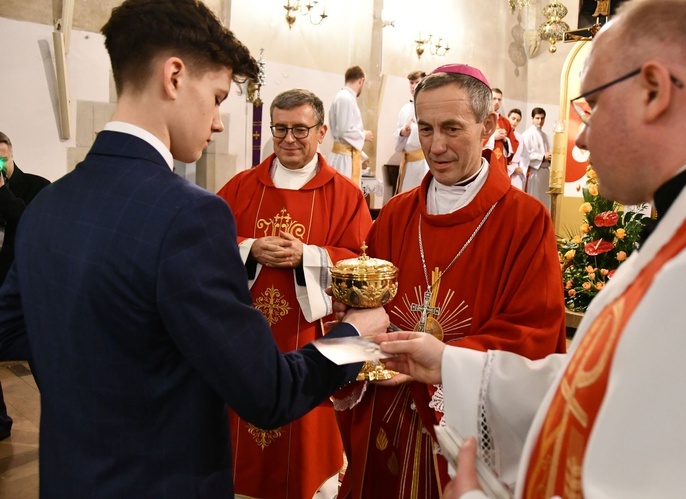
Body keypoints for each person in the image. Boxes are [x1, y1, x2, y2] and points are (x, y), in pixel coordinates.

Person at [0, 0, 389, 496]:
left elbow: (12, 330)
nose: (220, 122)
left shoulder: (47, 203)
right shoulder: (190, 215)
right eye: (218, 96)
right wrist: (357, 335)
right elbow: (269, 393)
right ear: (175, 77)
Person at [378, 0, 686, 496]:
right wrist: (449, 362)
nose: (584, 137)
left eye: (591, 106)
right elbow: (601, 385)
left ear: (655, 91)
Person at [334, 63, 567, 499]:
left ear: (488, 128)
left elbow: (533, 335)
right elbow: (363, 306)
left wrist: (445, 360)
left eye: (452, 128)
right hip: (387, 414)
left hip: (465, 434)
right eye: (425, 128)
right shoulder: (397, 214)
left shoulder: (525, 220)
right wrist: (353, 330)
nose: (435, 146)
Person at [216, 88, 372, 499]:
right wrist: (248, 248)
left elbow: (362, 265)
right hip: (247, 340)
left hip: (311, 340)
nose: (288, 139)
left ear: (321, 132)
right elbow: (205, 250)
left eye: (300, 129)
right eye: (280, 129)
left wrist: (309, 256)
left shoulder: (346, 195)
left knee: (304, 451)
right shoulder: (239, 187)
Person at [0, 131, 50, 440]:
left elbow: (28, 222)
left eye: (1, 158)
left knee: (41, 354)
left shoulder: (36, 186)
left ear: (11, 155)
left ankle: (62, 415)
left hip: (24, 292)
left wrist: (2, 189)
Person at [326, 65, 373, 187]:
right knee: (341, 197)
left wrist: (362, 156)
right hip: (342, 161)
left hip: (346, 157)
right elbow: (344, 130)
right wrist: (363, 135)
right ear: (361, 80)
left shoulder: (346, 97)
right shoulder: (345, 98)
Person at [393, 70, 428, 194]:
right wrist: (403, 132)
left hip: (422, 162)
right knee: (405, 196)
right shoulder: (405, 109)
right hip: (407, 163)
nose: (413, 86)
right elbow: (398, 133)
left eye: (417, 82)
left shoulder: (428, 106)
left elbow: (428, 131)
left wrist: (412, 129)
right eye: (411, 83)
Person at [522, 107, 552, 210]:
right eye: (537, 118)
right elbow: (525, 155)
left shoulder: (546, 136)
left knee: (544, 202)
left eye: (542, 118)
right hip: (534, 172)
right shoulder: (527, 135)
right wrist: (543, 157)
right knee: (534, 201)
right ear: (532, 118)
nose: (540, 121)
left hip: (545, 172)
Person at [489, 88, 515, 171]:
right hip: (486, 160)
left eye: (499, 99)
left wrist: (505, 141)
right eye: (494, 99)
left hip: (501, 163)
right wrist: (493, 137)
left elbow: (513, 143)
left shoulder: (505, 122)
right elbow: (475, 138)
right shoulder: (481, 118)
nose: (497, 102)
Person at [505, 109, 529, 190]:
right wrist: (512, 169)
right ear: (507, 118)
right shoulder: (502, 134)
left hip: (516, 171)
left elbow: (525, 156)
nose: (515, 122)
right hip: (505, 169)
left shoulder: (520, 137)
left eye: (518, 120)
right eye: (513, 118)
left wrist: (521, 168)